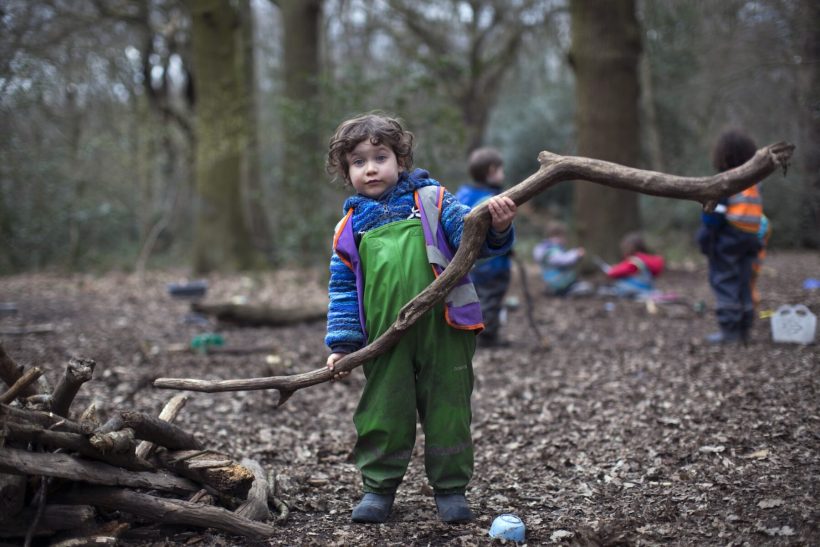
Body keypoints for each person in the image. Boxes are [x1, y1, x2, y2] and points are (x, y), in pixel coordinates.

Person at [323, 113, 517, 524]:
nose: (371, 168)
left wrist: (496, 225)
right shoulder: (348, 227)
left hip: (445, 327)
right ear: (346, 172)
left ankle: (450, 489)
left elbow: (473, 238)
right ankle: (378, 489)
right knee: (382, 411)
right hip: (383, 338)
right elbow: (342, 290)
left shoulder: (432, 200)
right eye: (358, 162)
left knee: (448, 408)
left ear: (401, 160)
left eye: (380, 156)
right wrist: (342, 346)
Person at [697, 129, 765, 344]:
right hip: (751, 239)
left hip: (728, 239)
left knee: (725, 281)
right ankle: (744, 329)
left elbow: (713, 215)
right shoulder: (754, 184)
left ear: (723, 155)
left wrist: (705, 237)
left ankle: (730, 332)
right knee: (744, 283)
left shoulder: (726, 181)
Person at [454, 147, 513, 346]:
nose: (503, 175)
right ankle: (488, 337)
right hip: (493, 263)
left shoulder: (462, 194)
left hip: (469, 264)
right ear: (491, 171)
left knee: (475, 298)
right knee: (492, 300)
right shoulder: (493, 200)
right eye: (501, 170)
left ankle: (473, 332)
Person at [600, 231, 665, 299]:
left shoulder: (634, 260)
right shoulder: (646, 258)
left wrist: (611, 271)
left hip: (637, 288)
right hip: (648, 287)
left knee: (618, 285)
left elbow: (621, 270)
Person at [532, 221, 588, 296]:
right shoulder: (553, 251)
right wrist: (576, 254)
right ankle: (566, 291)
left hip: (549, 280)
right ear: (558, 236)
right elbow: (563, 260)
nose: (566, 239)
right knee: (574, 279)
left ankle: (553, 290)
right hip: (558, 281)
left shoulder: (543, 248)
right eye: (564, 237)